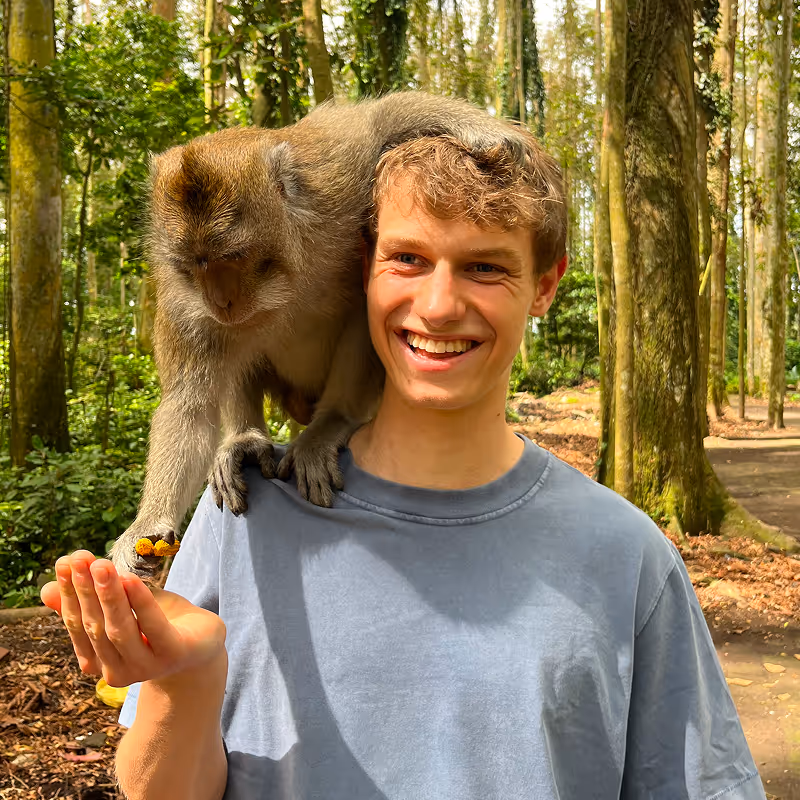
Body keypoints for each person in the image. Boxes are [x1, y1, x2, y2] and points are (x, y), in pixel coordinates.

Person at [42, 133, 765, 800]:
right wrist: (184, 678)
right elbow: (158, 789)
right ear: (365, 270)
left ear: (545, 286)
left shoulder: (625, 556)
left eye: (484, 267)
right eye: (408, 260)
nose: (440, 305)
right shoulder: (241, 519)